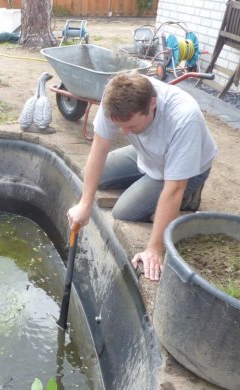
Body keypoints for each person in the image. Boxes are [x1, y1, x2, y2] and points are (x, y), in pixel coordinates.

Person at [67, 73, 217, 281]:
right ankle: (147, 186)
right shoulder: (114, 97)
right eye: (120, 127)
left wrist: (154, 249)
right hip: (146, 154)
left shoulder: (184, 118)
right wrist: (85, 203)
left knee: (124, 210)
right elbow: (99, 148)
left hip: (184, 170)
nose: (125, 132)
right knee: (91, 176)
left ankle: (190, 197)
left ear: (153, 104)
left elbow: (174, 188)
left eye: (132, 126)